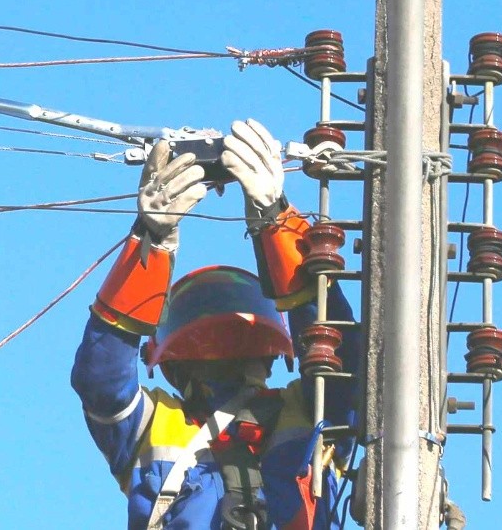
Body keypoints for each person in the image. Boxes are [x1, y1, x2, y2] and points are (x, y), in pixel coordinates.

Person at [71, 119, 359, 530]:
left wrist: (275, 221)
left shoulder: (311, 410)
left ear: (168, 357)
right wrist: (272, 221)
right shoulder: (155, 424)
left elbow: (342, 355)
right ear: (275, 349)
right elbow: (100, 379)